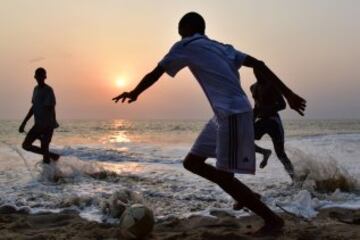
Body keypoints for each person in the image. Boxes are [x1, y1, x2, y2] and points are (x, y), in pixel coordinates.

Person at [112, 12, 306, 233]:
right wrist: (289, 94)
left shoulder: (185, 45)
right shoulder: (222, 47)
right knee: (192, 162)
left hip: (232, 113)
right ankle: (245, 194)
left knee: (224, 177)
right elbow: (259, 64)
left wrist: (135, 92)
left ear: (186, 28)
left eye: (179, 28)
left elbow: (157, 72)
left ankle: (272, 220)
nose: (178, 32)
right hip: (222, 116)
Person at [250, 71, 295, 180]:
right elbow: (256, 107)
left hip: (273, 122)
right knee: (243, 138)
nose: (258, 74)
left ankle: (294, 178)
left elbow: (283, 105)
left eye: (260, 71)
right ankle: (264, 152)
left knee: (280, 154)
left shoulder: (271, 86)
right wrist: (251, 120)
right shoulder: (253, 87)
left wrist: (267, 109)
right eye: (256, 71)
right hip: (261, 120)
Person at [19, 67, 60, 164]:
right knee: (26, 145)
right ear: (35, 77)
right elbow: (33, 107)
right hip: (38, 125)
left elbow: (51, 108)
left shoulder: (48, 90)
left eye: (41, 76)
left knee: (44, 148)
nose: (39, 78)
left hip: (47, 125)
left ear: (45, 77)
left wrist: (50, 126)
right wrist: (24, 123)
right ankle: (53, 156)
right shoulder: (35, 89)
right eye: (38, 76)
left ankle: (47, 177)